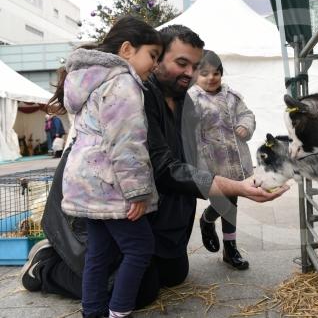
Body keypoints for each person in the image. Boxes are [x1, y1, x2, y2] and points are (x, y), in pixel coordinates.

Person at [20, 24, 288, 312]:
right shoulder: (134, 92)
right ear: (157, 59)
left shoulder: (189, 104)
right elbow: (163, 166)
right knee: (137, 291)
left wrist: (239, 179)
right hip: (103, 202)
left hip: (152, 210)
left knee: (174, 275)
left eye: (195, 66)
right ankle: (46, 267)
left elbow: (197, 161)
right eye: (181, 63)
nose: (190, 73)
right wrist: (236, 188)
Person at [48, 15, 162, 318]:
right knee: (139, 249)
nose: (156, 64)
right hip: (111, 184)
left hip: (84, 183)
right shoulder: (123, 83)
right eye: (152, 55)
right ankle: (120, 312)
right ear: (127, 49)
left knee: (98, 254)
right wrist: (137, 191)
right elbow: (126, 142)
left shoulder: (87, 80)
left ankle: (94, 312)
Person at [189, 50, 255, 270]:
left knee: (231, 201)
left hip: (234, 159)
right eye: (205, 73)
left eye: (216, 73)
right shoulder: (192, 99)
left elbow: (247, 114)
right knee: (224, 201)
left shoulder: (232, 96)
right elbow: (189, 130)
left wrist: (245, 126)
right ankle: (208, 221)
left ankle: (230, 248)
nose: (211, 78)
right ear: (196, 74)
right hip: (210, 160)